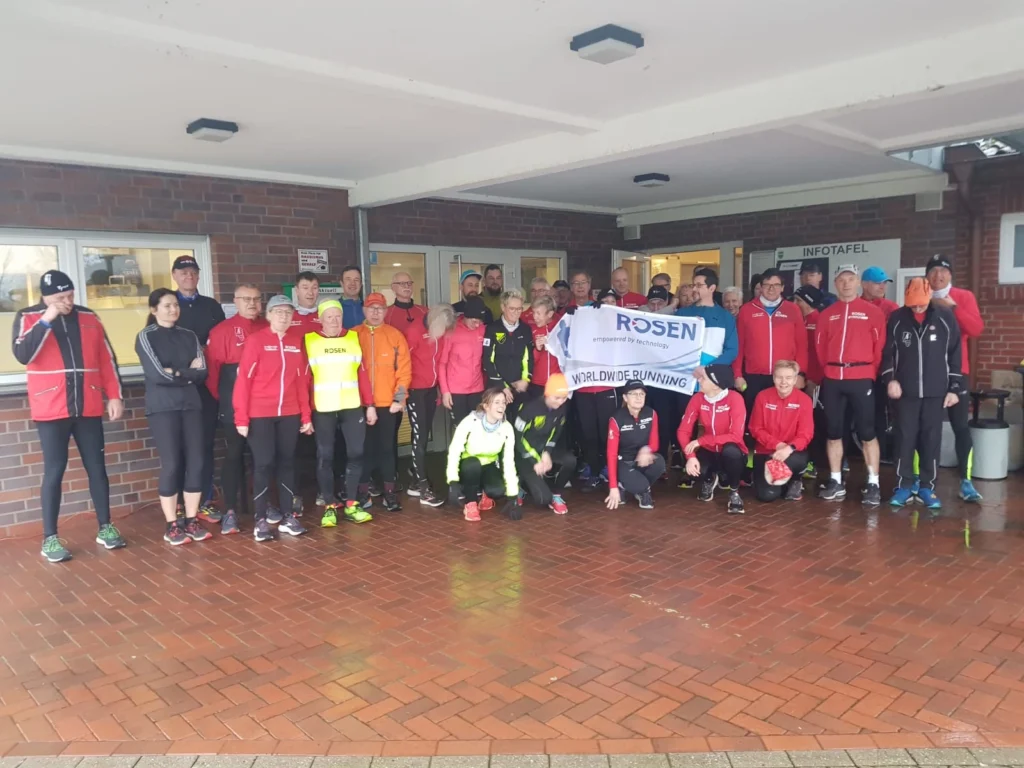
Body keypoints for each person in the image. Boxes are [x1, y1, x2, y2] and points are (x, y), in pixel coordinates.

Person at [12, 270, 126, 563]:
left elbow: (106, 358)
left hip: (87, 404)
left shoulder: (90, 317)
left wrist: (114, 394)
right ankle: (49, 537)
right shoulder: (28, 317)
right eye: (60, 297)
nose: (67, 302)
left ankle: (106, 526)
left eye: (70, 295)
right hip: (51, 407)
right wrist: (47, 318)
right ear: (46, 296)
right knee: (54, 471)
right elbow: (24, 354)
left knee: (97, 467)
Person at [136, 288, 212, 546]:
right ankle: (172, 524)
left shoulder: (189, 336)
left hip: (191, 405)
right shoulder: (146, 336)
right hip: (163, 408)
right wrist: (185, 373)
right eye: (167, 305)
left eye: (175, 305)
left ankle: (191, 519)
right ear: (154, 309)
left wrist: (176, 372)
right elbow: (157, 374)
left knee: (197, 462)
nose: (173, 310)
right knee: (172, 465)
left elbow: (203, 372)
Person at [233, 295, 312, 542]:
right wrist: (241, 418)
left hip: (289, 413)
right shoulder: (256, 341)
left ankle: (289, 516)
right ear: (268, 316)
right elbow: (243, 381)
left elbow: (301, 382)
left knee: (287, 463)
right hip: (260, 414)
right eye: (278, 312)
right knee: (264, 464)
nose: (283, 317)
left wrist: (305, 415)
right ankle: (260, 520)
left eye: (288, 313)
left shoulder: (295, 342)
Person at [882, 278, 963, 510]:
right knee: (904, 439)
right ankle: (903, 486)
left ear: (929, 298)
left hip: (935, 392)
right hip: (905, 393)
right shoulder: (897, 318)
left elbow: (955, 353)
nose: (917, 308)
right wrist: (890, 379)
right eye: (913, 304)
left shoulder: (945, 317)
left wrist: (954, 387)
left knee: (931, 440)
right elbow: (887, 353)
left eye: (921, 304)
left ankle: (927, 487)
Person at [814, 265, 886, 505]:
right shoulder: (827, 314)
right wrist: (830, 369)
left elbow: (879, 347)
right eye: (841, 279)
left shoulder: (872, 312)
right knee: (834, 431)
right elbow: (820, 349)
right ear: (835, 283)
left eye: (850, 278)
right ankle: (836, 480)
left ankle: (873, 482)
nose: (846, 283)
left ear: (858, 283)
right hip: (834, 377)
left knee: (867, 431)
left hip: (862, 376)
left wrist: (869, 373)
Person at [204, 283, 267, 535]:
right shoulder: (222, 331)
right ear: (235, 301)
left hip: (264, 407)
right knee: (234, 456)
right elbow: (212, 375)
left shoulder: (267, 327)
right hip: (233, 407)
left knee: (263, 458)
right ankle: (230, 511)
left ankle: (265, 506)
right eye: (246, 299)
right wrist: (228, 402)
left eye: (256, 299)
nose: (252, 304)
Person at [304, 299, 374, 526]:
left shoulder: (353, 338)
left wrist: (370, 404)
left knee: (356, 453)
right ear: (321, 319)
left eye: (338, 316)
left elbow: (362, 374)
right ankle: (329, 506)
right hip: (323, 408)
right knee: (326, 457)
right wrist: (305, 414)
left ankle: (352, 503)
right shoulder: (310, 340)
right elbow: (304, 380)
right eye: (329, 317)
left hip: (352, 406)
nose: (334, 321)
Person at [169, 255, 225, 524]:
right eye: (183, 272)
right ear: (174, 275)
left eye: (192, 271)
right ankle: (178, 504)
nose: (188, 275)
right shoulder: (167, 305)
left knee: (203, 445)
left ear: (198, 275)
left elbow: (220, 344)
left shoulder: (211, 306)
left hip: (207, 388)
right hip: (176, 390)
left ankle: (204, 501)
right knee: (177, 447)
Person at [924, 254, 985, 502]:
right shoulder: (920, 296)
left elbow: (976, 329)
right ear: (927, 275)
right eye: (934, 271)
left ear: (950, 275)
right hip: (927, 373)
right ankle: (925, 480)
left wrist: (953, 308)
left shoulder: (963, 297)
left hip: (958, 372)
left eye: (944, 271)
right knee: (926, 428)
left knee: (961, 426)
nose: (938, 275)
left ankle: (966, 480)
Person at [674, 267, 738, 482]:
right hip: (686, 380)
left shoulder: (725, 317)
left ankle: (715, 469)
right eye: (693, 284)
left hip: (712, 383)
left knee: (714, 426)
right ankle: (690, 467)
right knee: (686, 426)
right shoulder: (683, 314)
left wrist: (709, 370)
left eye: (699, 285)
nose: (695, 288)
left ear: (712, 288)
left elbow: (732, 350)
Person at [356, 292, 411, 512]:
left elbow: (404, 371)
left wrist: (399, 399)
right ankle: (362, 493)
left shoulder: (395, 335)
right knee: (363, 450)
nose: (376, 312)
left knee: (387, 449)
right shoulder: (352, 335)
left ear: (386, 311)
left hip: (389, 405)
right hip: (360, 405)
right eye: (372, 308)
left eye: (380, 308)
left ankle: (389, 493)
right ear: (364, 310)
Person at [733, 269, 807, 422]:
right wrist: (737, 375)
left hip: (784, 377)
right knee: (755, 419)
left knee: (783, 419)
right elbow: (739, 345)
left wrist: (801, 374)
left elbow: (801, 344)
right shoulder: (746, 310)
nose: (771, 289)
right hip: (754, 376)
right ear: (760, 287)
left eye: (776, 285)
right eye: (767, 285)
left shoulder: (793, 310)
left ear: (782, 287)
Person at [677, 365, 747, 514]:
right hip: (709, 451)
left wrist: (701, 441)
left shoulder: (735, 399)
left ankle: (734, 492)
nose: (699, 380)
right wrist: (690, 457)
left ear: (716, 386)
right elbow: (683, 431)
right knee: (694, 467)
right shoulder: (697, 398)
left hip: (731, 451)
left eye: (704, 378)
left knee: (731, 452)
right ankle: (710, 477)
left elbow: (736, 436)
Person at [404, 304, 454, 507]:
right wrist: (400, 396)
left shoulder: (440, 333)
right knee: (420, 435)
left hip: (431, 390)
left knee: (422, 435)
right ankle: (423, 487)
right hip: (414, 391)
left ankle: (416, 477)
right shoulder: (414, 331)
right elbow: (401, 365)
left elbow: (441, 361)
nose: (443, 331)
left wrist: (442, 390)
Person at [384, 271, 429, 493]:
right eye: (401, 284)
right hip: (396, 383)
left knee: (419, 430)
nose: (406, 287)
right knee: (391, 428)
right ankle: (390, 474)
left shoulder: (423, 312)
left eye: (409, 283)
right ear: (393, 287)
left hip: (420, 381)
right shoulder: (388, 315)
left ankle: (415, 471)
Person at [446, 387, 518, 522]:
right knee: (472, 465)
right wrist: (452, 481)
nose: (501, 406)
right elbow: (454, 450)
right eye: (497, 402)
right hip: (469, 463)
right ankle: (470, 503)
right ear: (486, 406)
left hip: (489, 464)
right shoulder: (470, 421)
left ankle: (486, 494)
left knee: (498, 490)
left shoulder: (507, 427)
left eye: (503, 402)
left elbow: (509, 462)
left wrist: (513, 496)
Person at [749, 360, 815, 503]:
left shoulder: (804, 400)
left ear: (795, 380)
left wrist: (788, 449)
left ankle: (795, 479)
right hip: (765, 452)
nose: (783, 382)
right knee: (766, 496)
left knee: (797, 459)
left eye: (788, 378)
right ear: (773, 378)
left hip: (792, 453)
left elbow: (806, 434)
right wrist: (777, 445)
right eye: (779, 377)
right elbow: (755, 428)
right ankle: (784, 482)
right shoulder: (762, 397)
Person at [575, 289, 620, 490]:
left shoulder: (622, 325)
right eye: (605, 301)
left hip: (607, 387)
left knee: (606, 432)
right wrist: (587, 312)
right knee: (588, 433)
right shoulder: (586, 320)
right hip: (584, 387)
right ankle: (593, 471)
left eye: (613, 301)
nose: (609, 304)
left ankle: (608, 470)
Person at [512, 373, 575, 517]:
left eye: (564, 398)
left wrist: (547, 452)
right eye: (556, 398)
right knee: (542, 499)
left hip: (543, 449)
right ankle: (521, 486)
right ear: (547, 394)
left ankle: (556, 493)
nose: (560, 402)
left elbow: (556, 432)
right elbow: (518, 437)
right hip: (525, 454)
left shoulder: (562, 408)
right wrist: (535, 460)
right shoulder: (529, 408)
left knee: (570, 460)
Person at [605, 380, 665, 510]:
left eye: (642, 394)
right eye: (634, 394)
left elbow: (655, 442)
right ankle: (628, 487)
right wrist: (613, 487)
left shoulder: (651, 413)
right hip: (623, 462)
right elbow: (611, 454)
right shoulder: (616, 419)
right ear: (625, 398)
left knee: (659, 462)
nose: (638, 397)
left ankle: (640, 488)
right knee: (640, 485)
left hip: (640, 460)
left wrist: (646, 449)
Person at [860, 267, 899, 465]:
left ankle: (883, 454)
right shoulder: (854, 306)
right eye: (877, 282)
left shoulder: (892, 308)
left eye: (884, 283)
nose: (882, 286)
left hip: (884, 369)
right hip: (860, 371)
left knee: (882, 413)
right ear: (864, 284)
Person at [483, 289, 534, 423]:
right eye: (512, 308)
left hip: (519, 388)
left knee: (519, 428)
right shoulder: (492, 329)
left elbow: (529, 358)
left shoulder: (525, 329)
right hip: (497, 388)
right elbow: (487, 360)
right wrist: (502, 387)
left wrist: (526, 380)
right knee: (498, 428)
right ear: (503, 307)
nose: (516, 313)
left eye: (519, 309)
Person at [792, 284, 826, 480]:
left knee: (813, 422)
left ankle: (813, 461)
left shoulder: (819, 320)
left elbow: (820, 354)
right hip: (796, 380)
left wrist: (814, 379)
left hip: (813, 381)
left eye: (799, 301)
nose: (795, 304)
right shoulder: (798, 320)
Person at [440, 296, 488, 427]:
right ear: (466, 316)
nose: (477, 325)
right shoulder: (451, 331)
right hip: (456, 390)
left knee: (477, 427)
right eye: (474, 321)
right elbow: (442, 363)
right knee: (460, 428)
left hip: (477, 388)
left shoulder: (483, 330)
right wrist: (445, 391)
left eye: (479, 321)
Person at [527, 296, 561, 399]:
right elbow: (528, 360)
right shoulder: (531, 331)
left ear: (550, 314)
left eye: (538, 313)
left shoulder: (560, 328)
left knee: (556, 414)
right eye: (534, 313)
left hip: (557, 382)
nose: (535, 317)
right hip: (537, 383)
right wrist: (537, 349)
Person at [291, 271, 323, 336]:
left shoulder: (325, 315)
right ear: (297, 290)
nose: (310, 293)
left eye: (314, 288)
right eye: (305, 288)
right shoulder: (287, 316)